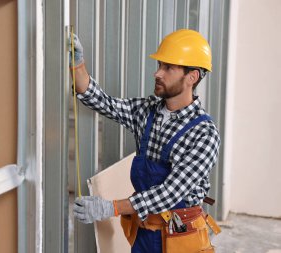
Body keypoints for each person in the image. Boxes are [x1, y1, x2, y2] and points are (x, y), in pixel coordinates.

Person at [70, 29, 220, 253]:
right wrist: (77, 65)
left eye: (168, 67)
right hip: (145, 231)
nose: (157, 73)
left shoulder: (204, 134)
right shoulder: (147, 111)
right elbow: (103, 102)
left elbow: (170, 192)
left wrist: (110, 208)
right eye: (159, 65)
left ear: (192, 77)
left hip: (181, 237)